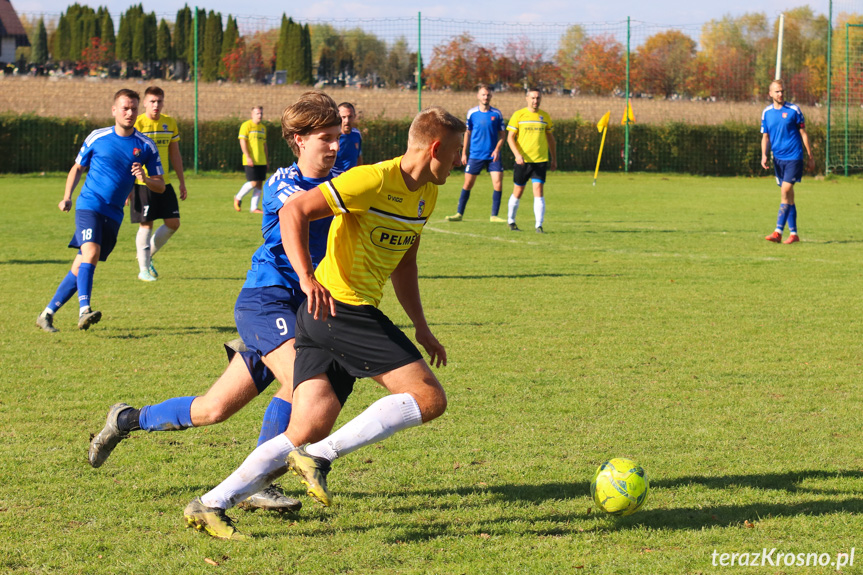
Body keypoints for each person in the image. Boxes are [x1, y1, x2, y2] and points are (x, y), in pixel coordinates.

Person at [182, 106, 465, 540]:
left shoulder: (428, 193)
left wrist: (420, 326)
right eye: (457, 152)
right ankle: (322, 457)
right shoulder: (371, 178)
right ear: (436, 147)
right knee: (428, 398)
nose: (460, 162)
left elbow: (405, 261)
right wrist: (307, 277)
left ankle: (211, 503)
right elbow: (294, 212)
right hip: (344, 311)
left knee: (304, 428)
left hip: (328, 317)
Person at [87, 91, 344, 516]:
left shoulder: (340, 182)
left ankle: (125, 419)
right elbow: (300, 219)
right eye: (326, 138)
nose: (335, 146)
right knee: (303, 382)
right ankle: (262, 482)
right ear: (298, 140)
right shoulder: (285, 185)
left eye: (339, 136)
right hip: (267, 302)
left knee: (212, 409)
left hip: (301, 309)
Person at [36, 89, 164, 333]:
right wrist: (67, 197)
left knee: (81, 265)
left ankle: (46, 314)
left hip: (114, 213)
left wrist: (145, 179)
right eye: (125, 108)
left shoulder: (145, 145)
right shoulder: (98, 137)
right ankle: (84, 310)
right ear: (114, 110)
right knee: (91, 252)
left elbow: (160, 185)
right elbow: (77, 168)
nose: (130, 112)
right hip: (89, 205)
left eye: (134, 108)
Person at [131, 86, 188, 282]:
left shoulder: (169, 123)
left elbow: (175, 153)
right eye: (152, 101)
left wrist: (181, 181)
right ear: (145, 103)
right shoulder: (137, 124)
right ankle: (143, 270)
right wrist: (128, 186)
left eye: (159, 101)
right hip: (142, 182)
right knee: (146, 224)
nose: (156, 105)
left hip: (164, 182)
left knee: (173, 223)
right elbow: (127, 156)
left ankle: (145, 256)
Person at [761, 78, 815, 244]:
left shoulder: (794, 110)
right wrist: (764, 154)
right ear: (770, 94)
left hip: (794, 157)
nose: (780, 94)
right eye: (777, 91)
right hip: (778, 159)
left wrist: (810, 156)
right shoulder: (767, 113)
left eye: (782, 91)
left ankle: (778, 231)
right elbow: (765, 136)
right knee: (789, 197)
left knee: (785, 191)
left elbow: (803, 133)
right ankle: (794, 234)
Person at [445, 84, 506, 223]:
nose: (486, 97)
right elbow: (467, 133)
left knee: (498, 184)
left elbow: (503, 134)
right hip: (475, 155)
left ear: (491, 96)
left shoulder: (496, 114)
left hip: (493, 156)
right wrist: (464, 153)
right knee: (467, 184)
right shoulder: (472, 113)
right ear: (478, 96)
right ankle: (459, 213)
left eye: (488, 94)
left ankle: (494, 215)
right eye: (483, 94)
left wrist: (497, 150)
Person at [505, 88, 556, 233]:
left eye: (538, 98)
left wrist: (554, 159)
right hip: (523, 161)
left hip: (540, 160)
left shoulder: (544, 116)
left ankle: (538, 225)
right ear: (527, 98)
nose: (535, 101)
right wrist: (517, 155)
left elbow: (551, 140)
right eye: (533, 98)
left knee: (538, 190)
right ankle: (511, 221)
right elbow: (510, 138)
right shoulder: (519, 115)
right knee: (518, 190)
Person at [234, 106, 268, 214]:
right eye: (257, 113)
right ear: (252, 115)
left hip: (261, 160)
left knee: (259, 184)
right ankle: (238, 197)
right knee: (253, 183)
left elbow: (264, 145)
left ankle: (254, 208)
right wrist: (248, 156)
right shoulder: (246, 125)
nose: (260, 115)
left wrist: (267, 160)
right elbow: (242, 141)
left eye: (261, 113)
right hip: (251, 160)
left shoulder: (263, 128)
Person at [334, 102, 363, 171]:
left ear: (354, 117)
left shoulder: (357, 134)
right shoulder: (332, 137)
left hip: (352, 178)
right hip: (336, 179)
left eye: (350, 117)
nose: (347, 121)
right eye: (343, 117)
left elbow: (359, 157)